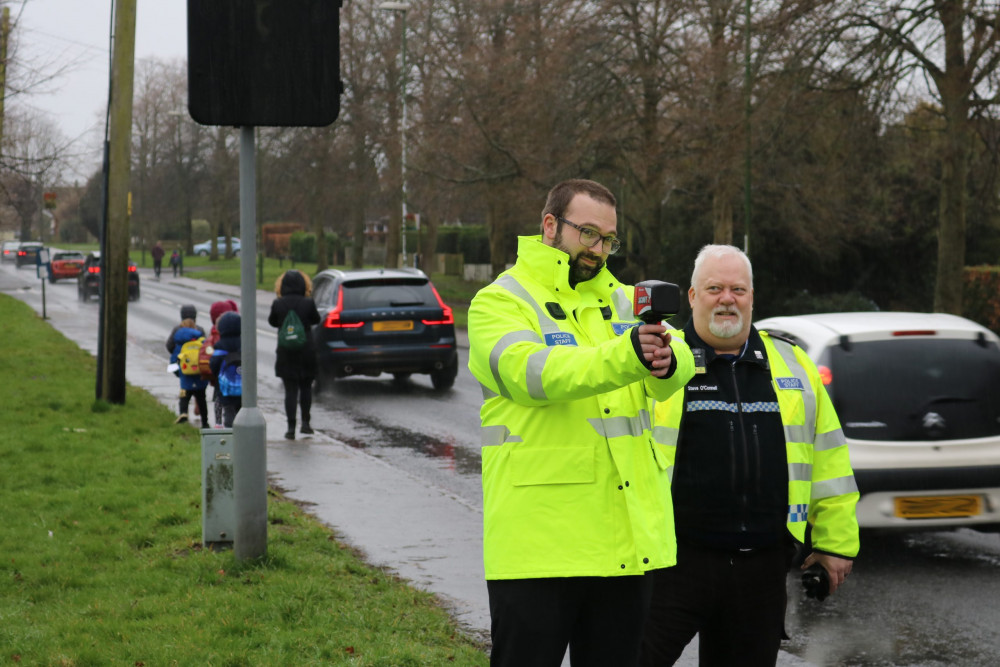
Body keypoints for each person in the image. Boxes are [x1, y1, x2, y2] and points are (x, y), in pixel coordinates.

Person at [466, 179, 695, 667]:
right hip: (538, 550)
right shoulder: (499, 302)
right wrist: (629, 355)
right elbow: (534, 374)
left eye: (608, 239)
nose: (599, 250)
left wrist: (666, 362)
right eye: (588, 234)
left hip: (624, 548)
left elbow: (676, 351)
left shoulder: (622, 298)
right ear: (550, 226)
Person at [639, 245, 860, 667]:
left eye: (738, 289)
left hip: (760, 570)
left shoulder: (793, 366)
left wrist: (835, 543)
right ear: (691, 296)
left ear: (753, 297)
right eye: (715, 288)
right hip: (672, 566)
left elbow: (829, 459)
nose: (727, 298)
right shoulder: (658, 364)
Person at [268, 269, 320, 440]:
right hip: (306, 350)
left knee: (290, 390)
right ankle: (306, 423)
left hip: (286, 352)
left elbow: (272, 321)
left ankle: (291, 427)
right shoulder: (308, 303)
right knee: (306, 388)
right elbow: (316, 320)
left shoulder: (278, 304)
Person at [170, 317, 210, 428]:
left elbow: (173, 361)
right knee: (201, 399)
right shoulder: (201, 341)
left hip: (185, 377)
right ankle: (205, 422)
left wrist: (180, 373)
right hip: (200, 377)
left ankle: (183, 413)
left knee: (184, 396)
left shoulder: (180, 343)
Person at [207, 299, 240, 427]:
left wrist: (216, 376)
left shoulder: (220, 345)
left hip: (225, 386)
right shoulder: (244, 343)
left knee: (229, 410)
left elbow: (214, 364)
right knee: (240, 409)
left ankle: (228, 430)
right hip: (243, 386)